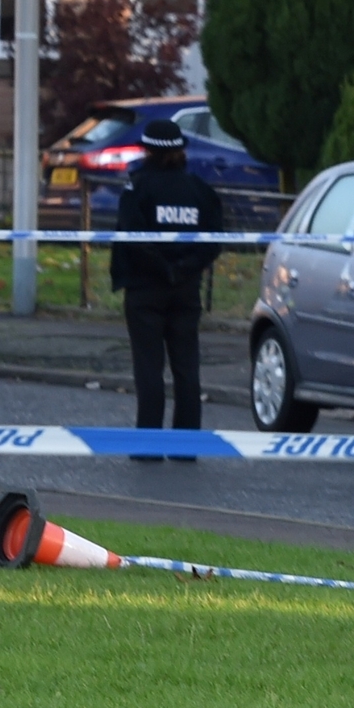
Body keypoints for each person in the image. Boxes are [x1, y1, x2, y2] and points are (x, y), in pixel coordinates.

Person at [111, 118, 227, 455]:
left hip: (145, 289)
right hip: (186, 290)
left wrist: (162, 269)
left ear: (147, 150)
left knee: (149, 367)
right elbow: (213, 242)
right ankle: (185, 444)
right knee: (186, 367)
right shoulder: (200, 191)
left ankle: (148, 443)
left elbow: (133, 239)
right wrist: (183, 270)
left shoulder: (137, 188)